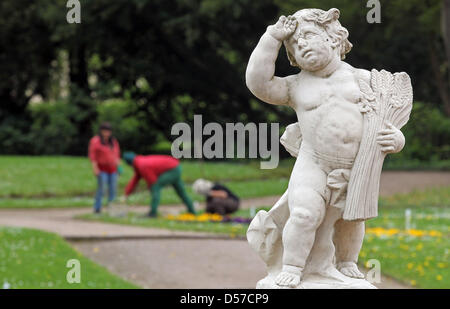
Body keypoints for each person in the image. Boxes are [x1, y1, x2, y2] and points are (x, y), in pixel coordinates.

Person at [245, 9, 405, 287]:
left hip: (357, 167)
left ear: (333, 38)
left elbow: (388, 120)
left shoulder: (365, 80)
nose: (301, 44)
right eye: (294, 44)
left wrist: (397, 140)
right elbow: (259, 84)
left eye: (308, 36)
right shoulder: (296, 86)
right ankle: (293, 266)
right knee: (304, 214)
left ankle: (346, 262)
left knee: (352, 220)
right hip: (314, 163)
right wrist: (272, 38)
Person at [122, 152, 196, 217]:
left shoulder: (141, 165)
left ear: (129, 164)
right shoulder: (139, 162)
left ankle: (153, 213)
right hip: (175, 166)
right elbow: (135, 180)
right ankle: (192, 211)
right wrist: (127, 193)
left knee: (156, 187)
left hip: (172, 169)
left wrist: (151, 187)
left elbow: (152, 180)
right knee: (181, 192)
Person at [88, 122, 121, 214]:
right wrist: (95, 168)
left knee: (113, 189)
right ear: (101, 131)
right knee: (102, 188)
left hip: (112, 169)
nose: (106, 133)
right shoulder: (95, 141)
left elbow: (117, 155)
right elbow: (93, 156)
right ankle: (97, 207)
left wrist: (119, 168)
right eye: (105, 131)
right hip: (102, 168)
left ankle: (111, 208)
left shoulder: (113, 141)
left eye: (108, 131)